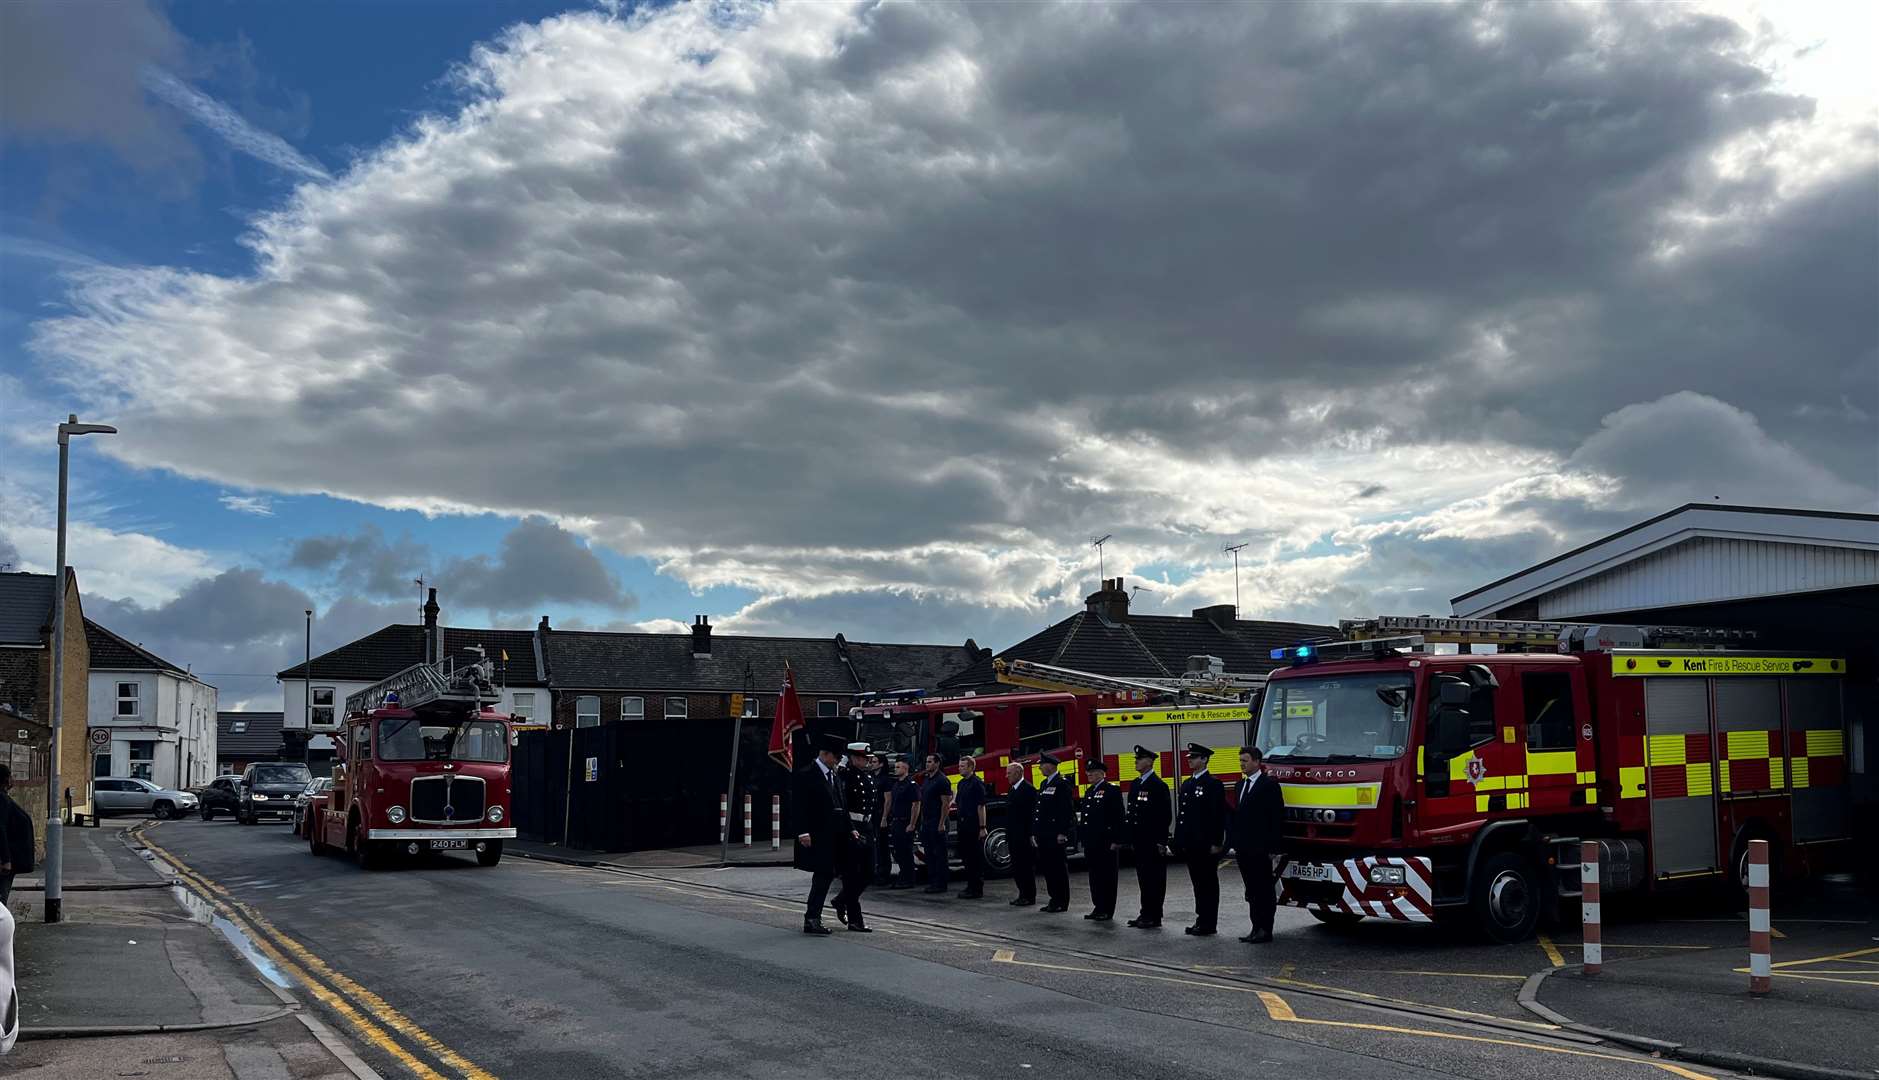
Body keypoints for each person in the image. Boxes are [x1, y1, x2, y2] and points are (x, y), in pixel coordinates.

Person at [792, 734, 850, 935]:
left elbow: (840, 804)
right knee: (822, 876)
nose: (837, 760)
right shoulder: (807, 774)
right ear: (825, 754)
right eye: (835, 756)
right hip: (817, 835)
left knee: (827, 875)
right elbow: (799, 806)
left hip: (834, 835)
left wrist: (849, 828)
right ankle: (812, 919)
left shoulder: (833, 775)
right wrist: (803, 832)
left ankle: (814, 917)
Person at [1230, 746, 1285, 943]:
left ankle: (1265, 928)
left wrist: (1273, 848)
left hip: (1260, 848)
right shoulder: (1240, 786)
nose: (1241, 764)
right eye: (1240, 761)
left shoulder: (1268, 785)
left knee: (1264, 889)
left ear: (1256, 761)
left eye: (1245, 761)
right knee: (1251, 890)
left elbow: (1275, 818)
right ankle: (1255, 927)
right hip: (1243, 847)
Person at [1173, 743, 1226, 936]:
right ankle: (1201, 919)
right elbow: (1183, 816)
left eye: (1193, 757)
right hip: (1191, 844)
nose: (1189, 760)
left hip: (1205, 844)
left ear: (1204, 759)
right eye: (1189, 757)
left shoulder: (1213, 784)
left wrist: (1216, 842)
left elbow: (1217, 816)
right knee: (1198, 884)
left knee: (1208, 884)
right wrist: (1179, 840)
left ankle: (1208, 922)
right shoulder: (1188, 784)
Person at [830, 742, 876, 932]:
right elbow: (842, 803)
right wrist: (848, 828)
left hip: (867, 825)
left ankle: (840, 900)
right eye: (864, 758)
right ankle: (855, 920)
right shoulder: (845, 775)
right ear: (854, 758)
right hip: (852, 826)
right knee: (851, 874)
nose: (867, 761)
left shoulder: (867, 775)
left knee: (869, 872)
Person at [1126, 746, 1171, 929]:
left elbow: (1164, 816)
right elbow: (1132, 814)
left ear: (1150, 762)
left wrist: (1162, 841)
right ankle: (1145, 913)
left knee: (1155, 880)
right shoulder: (1136, 784)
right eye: (1136, 758)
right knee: (1144, 879)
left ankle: (1154, 916)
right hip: (1140, 841)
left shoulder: (1158, 785)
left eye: (1140, 758)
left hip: (1152, 841)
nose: (1136, 761)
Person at [1078, 759, 1124, 921]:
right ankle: (1098, 907)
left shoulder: (1111, 790)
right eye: (1087, 772)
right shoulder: (1090, 791)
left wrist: (1116, 840)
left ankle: (1107, 909)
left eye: (1093, 771)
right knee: (1095, 877)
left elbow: (1118, 817)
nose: (1089, 774)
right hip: (1092, 842)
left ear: (1102, 774)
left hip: (1106, 842)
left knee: (1107, 877)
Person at [1032, 752, 1076, 913]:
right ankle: (1053, 899)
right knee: (1048, 868)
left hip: (1055, 834)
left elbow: (1066, 810)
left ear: (1050, 765)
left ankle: (1061, 901)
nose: (1040, 767)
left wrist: (1063, 832)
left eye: (1042, 765)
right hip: (1044, 834)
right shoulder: (1045, 784)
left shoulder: (1062, 784)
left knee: (1058, 868)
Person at [911, 753, 952, 894]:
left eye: (929, 762)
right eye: (926, 762)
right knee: (929, 854)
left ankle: (941, 884)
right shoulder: (927, 779)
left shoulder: (942, 781)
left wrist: (941, 823)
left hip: (937, 821)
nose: (927, 764)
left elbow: (946, 804)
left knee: (939, 854)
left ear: (937, 763)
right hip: (927, 821)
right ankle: (933, 881)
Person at [952, 756, 989, 898]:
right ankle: (970, 886)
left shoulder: (977, 784)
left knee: (975, 858)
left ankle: (977, 888)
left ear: (971, 768)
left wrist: (982, 827)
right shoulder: (961, 783)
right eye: (959, 766)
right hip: (963, 825)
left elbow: (981, 806)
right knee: (967, 858)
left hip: (974, 826)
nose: (959, 768)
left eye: (962, 766)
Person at [1003, 761, 1037, 907]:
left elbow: (1031, 814)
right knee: (1017, 867)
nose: (1006, 776)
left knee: (1026, 867)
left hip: (1023, 836)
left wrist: (1031, 834)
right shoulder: (1012, 790)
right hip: (1013, 836)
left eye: (1009, 773)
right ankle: (1022, 894)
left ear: (1018, 773)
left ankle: (1029, 896)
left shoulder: (1028, 790)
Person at [0, 765, 33, 904]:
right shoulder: (1, 800)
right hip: (5, 861)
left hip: (10, 857)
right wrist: (6, 859)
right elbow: (0, 829)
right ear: (6, 780)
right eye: (10, 776)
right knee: (1, 899)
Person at [885, 757, 919, 888]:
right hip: (896, 822)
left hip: (905, 822)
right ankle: (903, 877)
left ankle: (908, 879)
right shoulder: (896, 784)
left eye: (898, 767)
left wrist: (912, 824)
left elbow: (915, 805)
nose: (895, 769)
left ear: (905, 769)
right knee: (898, 852)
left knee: (906, 852)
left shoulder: (911, 785)